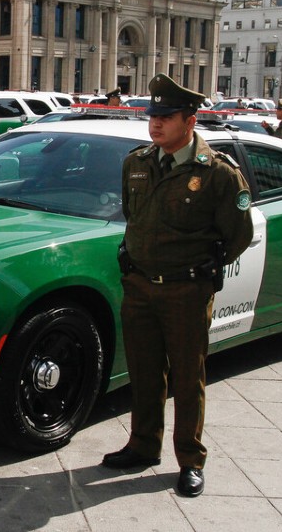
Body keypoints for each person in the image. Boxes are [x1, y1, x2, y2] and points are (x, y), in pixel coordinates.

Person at [104, 73, 253, 498]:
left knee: (188, 378)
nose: (156, 124)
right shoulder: (136, 163)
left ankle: (189, 459)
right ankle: (143, 444)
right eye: (153, 116)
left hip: (186, 291)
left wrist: (206, 265)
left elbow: (238, 233)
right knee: (145, 372)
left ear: (190, 120)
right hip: (140, 287)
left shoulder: (217, 174)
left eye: (166, 117)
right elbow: (134, 219)